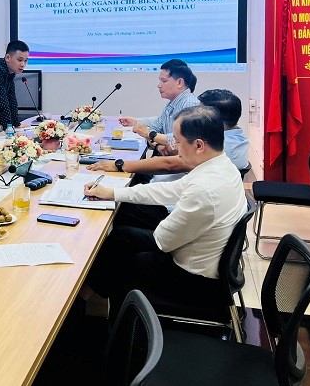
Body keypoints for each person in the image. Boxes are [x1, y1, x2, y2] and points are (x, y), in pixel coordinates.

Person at [81, 106, 247, 318]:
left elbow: (163, 241)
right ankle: (87, 296)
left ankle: (108, 323)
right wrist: (113, 193)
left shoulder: (204, 190)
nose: (174, 148)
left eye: (177, 142)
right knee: (122, 237)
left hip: (194, 281)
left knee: (119, 262)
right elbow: (171, 190)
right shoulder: (222, 166)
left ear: (198, 145)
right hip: (208, 261)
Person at [89, 89, 249, 229]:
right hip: (177, 195)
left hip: (176, 211)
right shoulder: (231, 139)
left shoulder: (219, 148)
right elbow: (174, 182)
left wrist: (120, 166)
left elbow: (170, 164)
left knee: (119, 210)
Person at [118, 59, 199, 150]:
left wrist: (148, 134)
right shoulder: (172, 103)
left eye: (164, 81)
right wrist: (135, 122)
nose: (159, 85)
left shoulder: (191, 105)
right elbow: (160, 123)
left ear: (179, 83)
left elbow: (182, 141)